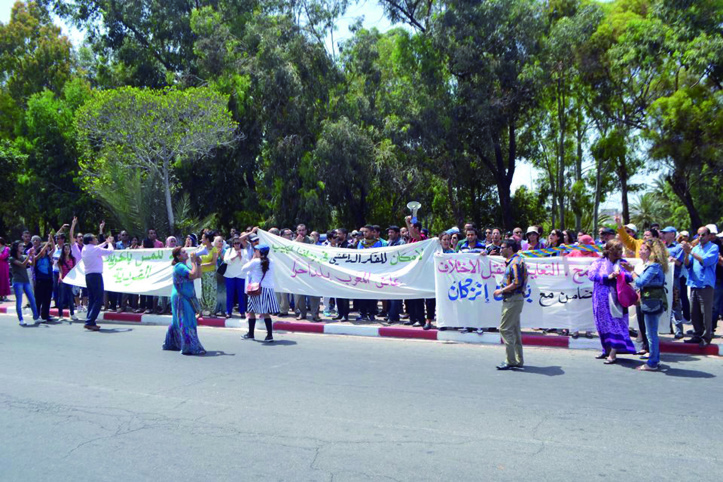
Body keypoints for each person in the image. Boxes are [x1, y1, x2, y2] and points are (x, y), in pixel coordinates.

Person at [588, 240, 637, 363]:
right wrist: (607, 277)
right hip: (600, 299)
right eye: (617, 250)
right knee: (602, 323)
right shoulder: (598, 263)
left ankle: (613, 353)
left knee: (616, 323)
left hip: (617, 299)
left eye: (621, 250)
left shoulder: (623, 263)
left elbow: (630, 277)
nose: (620, 253)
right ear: (609, 251)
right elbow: (591, 275)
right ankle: (607, 350)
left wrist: (626, 273)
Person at [629, 239, 669, 371]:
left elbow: (641, 282)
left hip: (652, 302)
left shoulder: (654, 266)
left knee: (651, 334)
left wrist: (633, 273)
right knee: (651, 333)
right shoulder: (656, 266)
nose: (641, 251)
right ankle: (654, 359)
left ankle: (652, 362)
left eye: (644, 249)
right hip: (654, 301)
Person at [163, 247, 206, 355]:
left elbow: (198, 275)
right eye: (183, 252)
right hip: (181, 297)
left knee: (179, 320)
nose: (186, 253)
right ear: (178, 256)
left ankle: (173, 343)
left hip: (185, 296)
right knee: (186, 320)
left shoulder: (184, 266)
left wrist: (198, 264)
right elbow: (192, 275)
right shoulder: (179, 266)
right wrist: (193, 262)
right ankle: (189, 346)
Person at [682, 226, 719, 347]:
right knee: (694, 312)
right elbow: (688, 265)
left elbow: (706, 261)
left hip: (705, 285)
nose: (700, 237)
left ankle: (706, 337)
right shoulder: (696, 248)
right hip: (693, 283)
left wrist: (691, 251)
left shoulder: (713, 248)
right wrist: (686, 254)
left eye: (703, 235)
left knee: (705, 313)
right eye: (699, 235)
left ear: (709, 236)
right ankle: (697, 335)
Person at [494, 239, 528, 370]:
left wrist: (501, 290)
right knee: (514, 330)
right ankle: (518, 360)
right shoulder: (516, 261)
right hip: (514, 299)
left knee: (505, 329)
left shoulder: (515, 263)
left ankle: (511, 360)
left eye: (503, 247)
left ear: (510, 248)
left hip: (513, 299)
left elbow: (517, 282)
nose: (501, 250)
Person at [241, 244, 279, 342]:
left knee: (251, 311)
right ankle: (269, 335)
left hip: (256, 289)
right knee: (265, 312)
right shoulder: (272, 262)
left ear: (260, 252)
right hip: (267, 289)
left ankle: (251, 334)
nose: (254, 252)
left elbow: (244, 269)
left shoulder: (255, 262)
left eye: (256, 250)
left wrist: (253, 259)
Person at [78, 232, 114, 331]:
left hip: (88, 276)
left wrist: (105, 242)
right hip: (96, 276)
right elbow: (110, 251)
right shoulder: (94, 249)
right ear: (90, 241)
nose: (96, 239)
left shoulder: (85, 249)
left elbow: (97, 247)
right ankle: (90, 321)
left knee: (92, 299)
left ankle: (90, 321)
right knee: (98, 299)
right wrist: (110, 243)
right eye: (94, 238)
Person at [661, 226, 685, 338]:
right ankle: (667, 327)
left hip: (674, 278)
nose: (663, 234)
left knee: (675, 303)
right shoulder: (662, 246)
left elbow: (679, 262)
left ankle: (679, 330)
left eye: (665, 233)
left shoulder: (678, 247)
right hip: (663, 278)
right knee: (664, 302)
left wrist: (671, 259)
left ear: (672, 234)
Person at [8, 240, 39, 325]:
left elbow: (32, 264)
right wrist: (28, 256)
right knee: (19, 301)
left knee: (32, 299)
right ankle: (21, 319)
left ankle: (36, 317)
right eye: (20, 246)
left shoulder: (23, 256)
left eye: (22, 246)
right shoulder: (12, 258)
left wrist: (32, 256)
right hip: (18, 282)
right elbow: (22, 265)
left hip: (26, 281)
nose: (22, 248)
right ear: (16, 248)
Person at [223, 234, 253, 318]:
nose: (237, 244)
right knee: (230, 294)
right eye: (235, 243)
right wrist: (235, 256)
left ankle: (242, 312)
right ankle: (228, 312)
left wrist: (240, 257)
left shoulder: (244, 251)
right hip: (230, 275)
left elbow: (246, 263)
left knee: (241, 295)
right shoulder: (229, 251)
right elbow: (226, 261)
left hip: (241, 275)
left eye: (238, 243)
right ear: (233, 244)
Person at [33, 233, 56, 322]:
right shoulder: (36, 257)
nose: (45, 251)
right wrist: (47, 242)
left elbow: (54, 249)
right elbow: (41, 252)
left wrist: (51, 239)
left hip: (48, 279)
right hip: (40, 280)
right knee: (39, 298)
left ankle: (45, 315)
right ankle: (37, 315)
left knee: (47, 298)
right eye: (44, 249)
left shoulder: (48, 256)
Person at [198, 231, 219, 316]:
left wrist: (202, 265)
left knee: (210, 291)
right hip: (201, 273)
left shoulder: (213, 249)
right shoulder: (201, 248)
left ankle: (211, 310)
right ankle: (201, 310)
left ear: (207, 239)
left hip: (210, 273)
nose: (201, 240)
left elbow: (214, 262)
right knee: (202, 291)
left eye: (203, 238)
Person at [57, 243, 78, 322]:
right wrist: (60, 277)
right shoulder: (61, 259)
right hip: (63, 280)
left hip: (70, 280)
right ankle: (60, 315)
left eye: (68, 249)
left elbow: (74, 269)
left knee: (70, 297)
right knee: (61, 298)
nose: (67, 251)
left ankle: (72, 314)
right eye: (65, 249)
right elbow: (60, 270)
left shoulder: (73, 259)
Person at [0, 237, 10, 301]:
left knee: (4, 280)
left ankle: (4, 295)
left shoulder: (6, 248)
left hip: (3, 267)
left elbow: (3, 256)